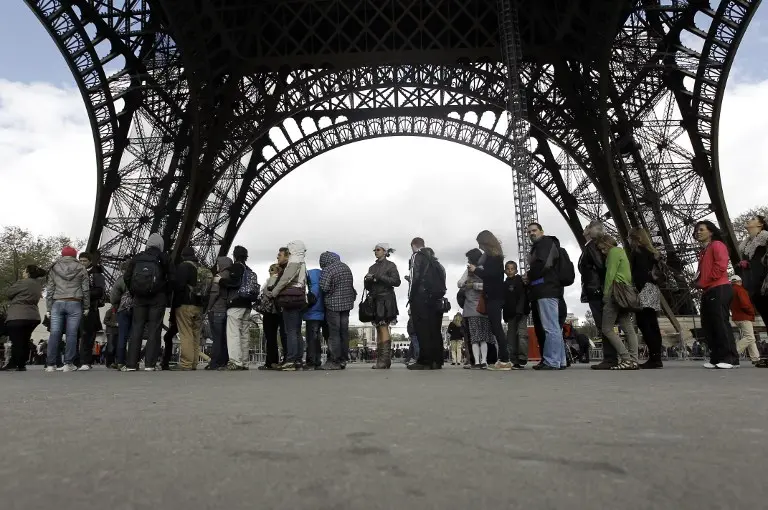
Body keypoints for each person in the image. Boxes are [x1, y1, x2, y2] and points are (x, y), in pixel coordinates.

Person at [123, 233, 175, 372]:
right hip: (158, 298)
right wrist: (164, 291)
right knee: (154, 329)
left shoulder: (137, 258)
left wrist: (134, 291)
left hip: (139, 298)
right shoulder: (164, 258)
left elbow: (127, 277)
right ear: (161, 245)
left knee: (136, 328)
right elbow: (173, 278)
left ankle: (131, 364)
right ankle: (150, 364)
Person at [694, 220, 739, 369]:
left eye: (701, 229)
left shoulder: (717, 245)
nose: (698, 232)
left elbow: (721, 265)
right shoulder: (704, 250)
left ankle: (730, 358)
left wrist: (706, 280)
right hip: (709, 288)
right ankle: (717, 357)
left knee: (720, 323)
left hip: (718, 287)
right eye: (697, 230)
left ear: (711, 231)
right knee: (709, 325)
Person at [526, 223, 566, 370]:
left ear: (542, 232)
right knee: (554, 327)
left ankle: (552, 361)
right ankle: (559, 360)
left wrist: (529, 276)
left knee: (550, 327)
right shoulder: (546, 244)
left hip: (546, 288)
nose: (531, 233)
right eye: (529, 231)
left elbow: (542, 265)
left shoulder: (544, 243)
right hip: (549, 288)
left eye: (534, 230)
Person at [468, 230, 510, 371]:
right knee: (495, 327)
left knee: (497, 327)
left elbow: (491, 274)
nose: (479, 247)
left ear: (486, 242)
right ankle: (503, 358)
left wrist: (476, 270)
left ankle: (504, 359)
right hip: (494, 295)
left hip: (494, 296)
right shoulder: (495, 256)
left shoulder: (494, 257)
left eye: (480, 243)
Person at [597, 235, 639, 370]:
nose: (603, 252)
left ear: (608, 244)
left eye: (603, 248)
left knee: (607, 328)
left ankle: (626, 358)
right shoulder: (622, 251)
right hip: (625, 292)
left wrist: (606, 294)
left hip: (615, 292)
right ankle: (633, 360)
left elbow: (610, 274)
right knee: (628, 327)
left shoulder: (614, 252)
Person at [46, 246, 90, 373]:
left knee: (55, 333)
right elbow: (85, 289)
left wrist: (49, 307)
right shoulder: (81, 268)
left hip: (57, 302)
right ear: (75, 255)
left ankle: (50, 364)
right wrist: (86, 306)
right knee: (71, 333)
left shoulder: (54, 268)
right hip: (75, 302)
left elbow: (50, 289)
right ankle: (68, 363)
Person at [407, 237, 447, 370]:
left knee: (422, 329)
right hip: (435, 299)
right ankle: (437, 360)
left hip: (421, 297)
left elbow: (414, 276)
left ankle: (425, 360)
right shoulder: (436, 262)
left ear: (413, 245)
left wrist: (410, 297)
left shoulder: (416, 256)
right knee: (434, 330)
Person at [267, 241, 307, 371]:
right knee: (296, 331)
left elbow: (286, 279)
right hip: (299, 298)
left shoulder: (294, 262)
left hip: (290, 299)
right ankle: (298, 359)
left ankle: (290, 360)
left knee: (290, 331)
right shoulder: (302, 261)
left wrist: (274, 292)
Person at [578, 221, 613, 370]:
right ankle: (611, 357)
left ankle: (610, 358)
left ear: (590, 231)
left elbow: (600, 266)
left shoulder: (592, 246)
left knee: (603, 325)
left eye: (586, 227)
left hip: (596, 290)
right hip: (596, 288)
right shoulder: (592, 246)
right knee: (604, 325)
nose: (584, 229)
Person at [628, 227, 664, 369]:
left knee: (644, 324)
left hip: (643, 290)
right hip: (653, 289)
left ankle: (654, 359)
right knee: (653, 324)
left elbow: (640, 274)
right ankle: (657, 357)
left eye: (629, 237)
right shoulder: (651, 252)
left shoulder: (637, 252)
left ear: (635, 238)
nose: (627, 240)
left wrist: (635, 290)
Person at [736, 215, 768, 367]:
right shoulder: (746, 245)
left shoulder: (765, 239)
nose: (748, 220)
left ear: (761, 224)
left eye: (752, 219)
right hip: (755, 286)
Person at [1, 265, 46, 371]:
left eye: (24, 271)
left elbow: (8, 293)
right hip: (33, 316)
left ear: (28, 273)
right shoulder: (37, 285)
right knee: (25, 339)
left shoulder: (23, 282)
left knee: (16, 340)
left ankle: (15, 363)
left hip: (18, 315)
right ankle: (20, 364)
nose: (23, 272)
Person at [365, 243, 401, 370]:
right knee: (379, 328)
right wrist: (367, 280)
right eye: (375, 250)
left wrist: (379, 277)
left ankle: (384, 360)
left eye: (378, 250)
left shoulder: (390, 265)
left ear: (385, 251)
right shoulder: (372, 267)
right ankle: (383, 360)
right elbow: (369, 286)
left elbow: (397, 282)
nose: (376, 251)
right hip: (375, 299)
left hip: (386, 299)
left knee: (383, 327)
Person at [319, 251, 356, 370]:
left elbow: (323, 287)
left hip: (333, 305)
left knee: (334, 333)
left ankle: (334, 360)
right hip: (346, 305)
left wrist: (330, 292)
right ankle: (343, 359)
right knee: (343, 333)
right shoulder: (346, 267)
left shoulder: (328, 269)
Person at [220, 245, 255, 371]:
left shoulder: (236, 267)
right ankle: (244, 362)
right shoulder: (249, 269)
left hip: (236, 303)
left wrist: (220, 281)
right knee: (244, 334)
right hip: (247, 305)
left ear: (234, 256)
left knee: (233, 333)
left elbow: (234, 283)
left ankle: (235, 361)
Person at [458, 248, 493, 369]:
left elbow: (459, 283)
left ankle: (477, 362)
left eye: (469, 259)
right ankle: (483, 362)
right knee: (482, 337)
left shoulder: (473, 271)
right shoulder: (484, 270)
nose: (468, 262)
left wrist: (471, 284)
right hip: (483, 308)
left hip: (472, 308)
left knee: (475, 338)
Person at [173, 247, 205, 370]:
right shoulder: (200, 268)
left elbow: (179, 286)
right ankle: (194, 363)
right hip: (199, 305)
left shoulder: (184, 266)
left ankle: (186, 363)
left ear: (183, 256)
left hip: (186, 304)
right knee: (196, 335)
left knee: (186, 334)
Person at [75, 252, 106, 371]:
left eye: (84, 261)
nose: (82, 263)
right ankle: (78, 360)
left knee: (86, 335)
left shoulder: (96, 274)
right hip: (79, 306)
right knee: (79, 334)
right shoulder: (80, 273)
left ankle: (85, 361)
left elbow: (99, 291)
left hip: (89, 307)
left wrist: (82, 294)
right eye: (80, 261)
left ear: (89, 261)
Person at [206, 256, 232, 370]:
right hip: (225, 310)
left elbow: (214, 294)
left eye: (218, 263)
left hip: (216, 310)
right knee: (223, 338)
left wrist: (208, 308)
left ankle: (215, 362)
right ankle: (223, 361)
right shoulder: (230, 276)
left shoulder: (219, 276)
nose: (216, 266)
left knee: (216, 339)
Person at [503, 260, 529, 369]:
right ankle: (514, 360)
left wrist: (520, 311)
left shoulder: (520, 281)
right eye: (508, 269)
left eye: (512, 269)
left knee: (522, 335)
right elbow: (504, 301)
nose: (510, 271)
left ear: (516, 270)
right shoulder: (504, 284)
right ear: (505, 271)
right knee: (511, 338)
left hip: (521, 313)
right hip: (510, 314)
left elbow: (522, 297)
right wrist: (504, 315)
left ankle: (522, 358)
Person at [257, 263, 282, 370]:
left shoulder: (271, 280)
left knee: (270, 337)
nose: (270, 271)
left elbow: (267, 294)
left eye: (272, 269)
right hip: (276, 311)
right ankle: (273, 361)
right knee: (273, 337)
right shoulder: (279, 280)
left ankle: (271, 361)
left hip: (269, 311)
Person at [730, 275, 759, 365]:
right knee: (750, 337)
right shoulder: (741, 290)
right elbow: (745, 304)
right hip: (744, 317)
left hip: (736, 317)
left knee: (750, 338)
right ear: (740, 282)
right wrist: (752, 312)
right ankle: (732, 353)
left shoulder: (730, 291)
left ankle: (756, 358)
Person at [109, 260, 133, 370]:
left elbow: (114, 297)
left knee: (122, 336)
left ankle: (120, 361)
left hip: (123, 309)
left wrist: (116, 305)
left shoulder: (121, 280)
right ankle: (133, 361)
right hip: (137, 309)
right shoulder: (139, 277)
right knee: (135, 336)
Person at [303, 263, 325, 370]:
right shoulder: (321, 287)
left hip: (312, 315)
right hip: (320, 315)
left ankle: (311, 361)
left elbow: (310, 302)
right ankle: (317, 360)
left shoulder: (313, 288)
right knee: (316, 340)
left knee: (311, 339)